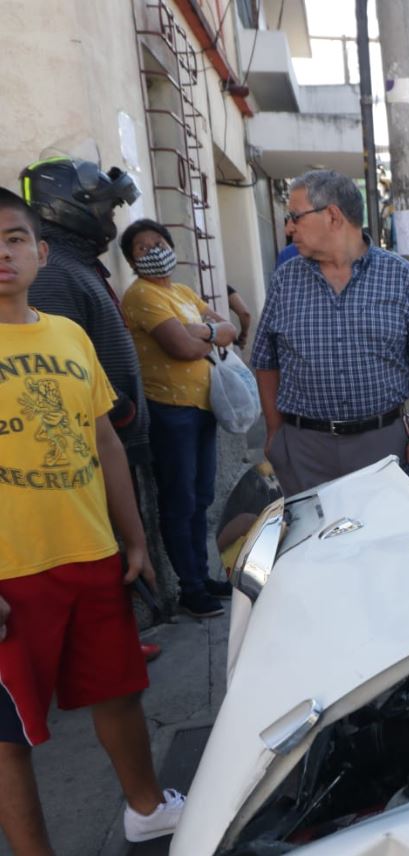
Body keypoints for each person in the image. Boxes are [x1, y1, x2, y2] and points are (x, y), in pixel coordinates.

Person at [0, 189, 186, 851]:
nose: (3, 253)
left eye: (15, 238)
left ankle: (145, 807)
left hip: (90, 553)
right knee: (10, 735)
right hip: (11, 573)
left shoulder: (68, 333)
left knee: (118, 692)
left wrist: (133, 536)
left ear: (40, 252)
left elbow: (104, 439)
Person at [20, 155, 162, 660]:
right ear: (70, 207)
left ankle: (118, 637)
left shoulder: (75, 262)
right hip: (99, 442)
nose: (110, 220)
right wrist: (119, 413)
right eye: (103, 209)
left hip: (118, 436)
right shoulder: (54, 270)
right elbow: (59, 372)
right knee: (108, 549)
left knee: (127, 545)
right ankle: (105, 645)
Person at [251, 169, 409, 496]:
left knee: (383, 542)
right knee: (312, 545)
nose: (288, 228)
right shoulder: (286, 280)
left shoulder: (402, 278)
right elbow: (264, 360)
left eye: (295, 217)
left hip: (382, 446)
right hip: (304, 451)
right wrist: (275, 434)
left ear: (333, 215)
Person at [119, 218, 238, 619]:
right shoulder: (140, 296)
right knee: (180, 500)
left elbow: (231, 328)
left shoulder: (183, 291)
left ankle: (201, 578)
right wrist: (207, 331)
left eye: (158, 242)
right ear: (132, 261)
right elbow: (182, 348)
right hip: (169, 412)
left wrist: (198, 329)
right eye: (141, 248)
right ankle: (189, 588)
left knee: (201, 497)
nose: (154, 251)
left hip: (203, 409)